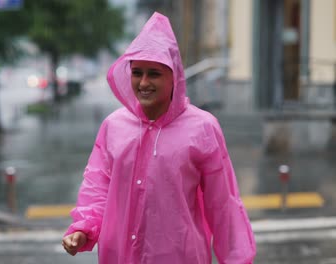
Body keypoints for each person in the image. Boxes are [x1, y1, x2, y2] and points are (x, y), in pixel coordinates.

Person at [62, 12, 256, 263]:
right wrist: (83, 228)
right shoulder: (114, 126)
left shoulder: (203, 128)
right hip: (119, 256)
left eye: (154, 73)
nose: (143, 82)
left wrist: (237, 259)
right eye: (137, 72)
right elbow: (98, 186)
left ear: (174, 76)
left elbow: (223, 206)